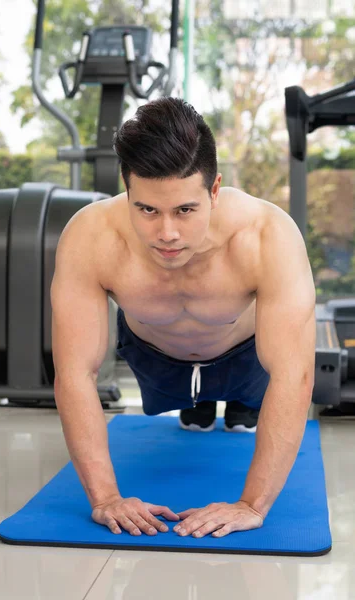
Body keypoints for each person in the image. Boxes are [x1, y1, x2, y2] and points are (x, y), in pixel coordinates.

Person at [51, 97, 316, 541]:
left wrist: (252, 505)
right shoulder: (90, 235)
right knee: (193, 418)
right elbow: (75, 372)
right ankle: (198, 403)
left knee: (247, 413)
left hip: (246, 355)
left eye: (185, 210)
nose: (167, 233)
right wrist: (106, 499)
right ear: (127, 190)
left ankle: (235, 402)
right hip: (153, 358)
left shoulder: (267, 234)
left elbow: (294, 374)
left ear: (214, 191)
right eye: (148, 210)